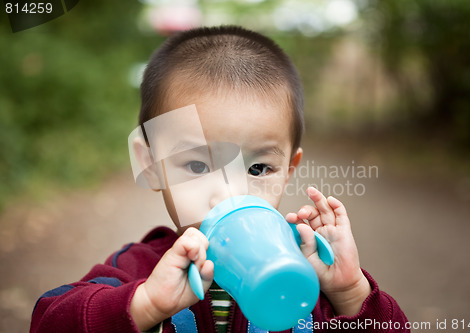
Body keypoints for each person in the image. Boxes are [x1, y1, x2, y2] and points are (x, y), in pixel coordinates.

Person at [30, 26, 409, 333]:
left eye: (259, 169)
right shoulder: (137, 270)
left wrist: (350, 293)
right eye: (197, 166)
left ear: (289, 170)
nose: (232, 192)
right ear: (150, 164)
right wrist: (144, 306)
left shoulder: (311, 276)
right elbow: (48, 320)